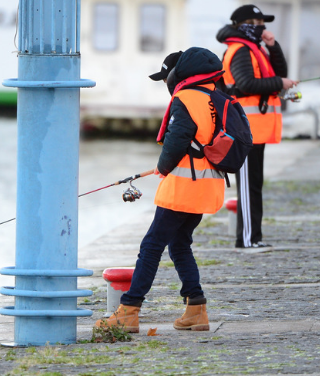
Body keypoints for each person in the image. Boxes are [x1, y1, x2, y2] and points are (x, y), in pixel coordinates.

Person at [95, 47, 227, 333]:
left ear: (177, 75)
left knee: (152, 245)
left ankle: (129, 310)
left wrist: (164, 167)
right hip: (208, 185)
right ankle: (196, 309)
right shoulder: (216, 96)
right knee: (179, 244)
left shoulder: (185, 98)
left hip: (184, 187)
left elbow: (178, 139)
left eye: (166, 77)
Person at [216, 4, 298, 250]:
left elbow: (278, 72)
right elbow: (246, 83)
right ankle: (248, 239)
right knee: (248, 186)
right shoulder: (240, 50)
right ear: (245, 26)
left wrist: (273, 46)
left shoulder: (255, 48)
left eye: (263, 23)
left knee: (254, 184)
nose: (262, 28)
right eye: (258, 23)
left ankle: (254, 237)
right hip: (244, 129)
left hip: (256, 128)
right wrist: (280, 83)